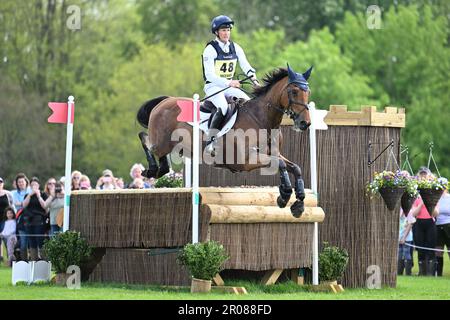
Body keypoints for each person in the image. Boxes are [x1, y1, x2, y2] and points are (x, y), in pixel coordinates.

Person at [202, 15, 259, 154]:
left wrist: (255, 81)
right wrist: (229, 82)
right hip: (213, 86)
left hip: (229, 86)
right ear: (216, 32)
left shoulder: (236, 47)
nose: (226, 33)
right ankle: (211, 140)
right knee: (222, 107)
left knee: (249, 102)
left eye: (228, 30)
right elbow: (210, 75)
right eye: (223, 30)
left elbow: (246, 66)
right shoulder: (210, 49)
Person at [410, 167, 439, 276]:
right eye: (421, 175)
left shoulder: (433, 192)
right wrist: (422, 202)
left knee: (430, 247)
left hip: (430, 223)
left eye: (425, 175)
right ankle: (422, 272)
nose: (423, 177)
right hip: (419, 223)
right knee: (420, 247)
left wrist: (429, 201)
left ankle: (431, 272)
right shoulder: (415, 194)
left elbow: (436, 213)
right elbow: (413, 213)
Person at [22, 177, 48, 261]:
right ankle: (34, 260)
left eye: (35, 185)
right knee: (31, 241)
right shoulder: (27, 195)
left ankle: (44, 259)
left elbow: (45, 206)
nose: (34, 186)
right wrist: (30, 195)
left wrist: (39, 196)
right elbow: (24, 205)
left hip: (39, 221)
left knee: (40, 240)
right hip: (29, 221)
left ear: (39, 185)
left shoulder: (43, 194)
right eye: (32, 185)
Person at [11, 173, 30, 260]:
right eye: (19, 182)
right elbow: (14, 203)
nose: (21, 183)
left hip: (30, 219)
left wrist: (21, 204)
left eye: (22, 181)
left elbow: (20, 204)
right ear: (16, 183)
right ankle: (22, 260)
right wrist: (24, 203)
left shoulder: (30, 191)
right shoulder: (13, 193)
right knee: (21, 240)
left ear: (26, 182)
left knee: (31, 240)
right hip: (18, 219)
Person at [436, 185, 450, 276]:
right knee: (438, 250)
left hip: (448, 225)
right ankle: (439, 273)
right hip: (437, 225)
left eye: (443, 187)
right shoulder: (435, 198)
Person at [398, 208, 416, 275]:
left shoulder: (409, 211)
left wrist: (404, 237)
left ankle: (408, 273)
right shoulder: (396, 211)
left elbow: (410, 225)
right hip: (398, 238)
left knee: (406, 253)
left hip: (407, 238)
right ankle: (399, 273)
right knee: (399, 254)